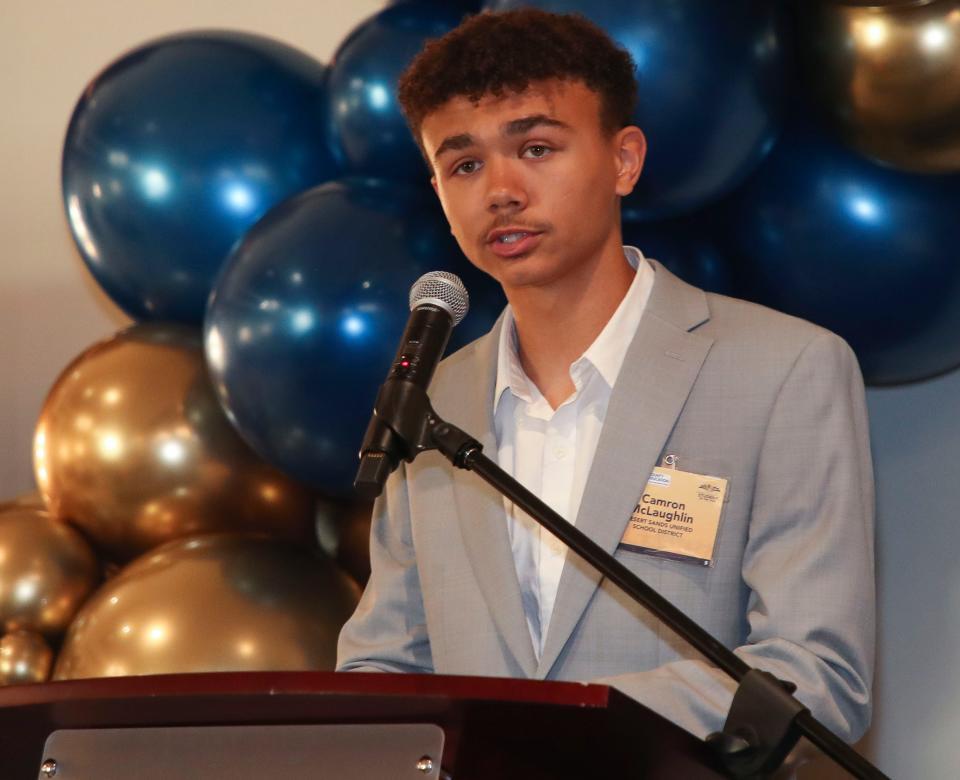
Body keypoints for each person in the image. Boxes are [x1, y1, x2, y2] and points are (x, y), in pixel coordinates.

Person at [336, 8, 875, 746]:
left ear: (623, 160)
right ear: (438, 193)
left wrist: (560, 728)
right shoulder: (430, 403)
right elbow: (384, 667)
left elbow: (812, 675)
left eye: (535, 147)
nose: (500, 190)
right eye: (464, 164)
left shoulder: (784, 371)